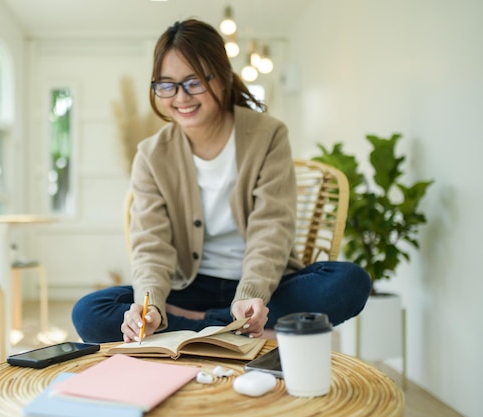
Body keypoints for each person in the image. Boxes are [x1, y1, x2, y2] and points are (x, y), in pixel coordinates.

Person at [72, 19, 371, 343]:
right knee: (89, 312)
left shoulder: (268, 135)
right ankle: (225, 328)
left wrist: (251, 293)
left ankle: (197, 327)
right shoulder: (151, 154)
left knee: (350, 281)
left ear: (222, 76)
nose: (180, 97)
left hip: (264, 289)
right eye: (167, 84)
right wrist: (151, 304)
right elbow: (151, 245)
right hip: (186, 288)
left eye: (193, 82)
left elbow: (272, 227)